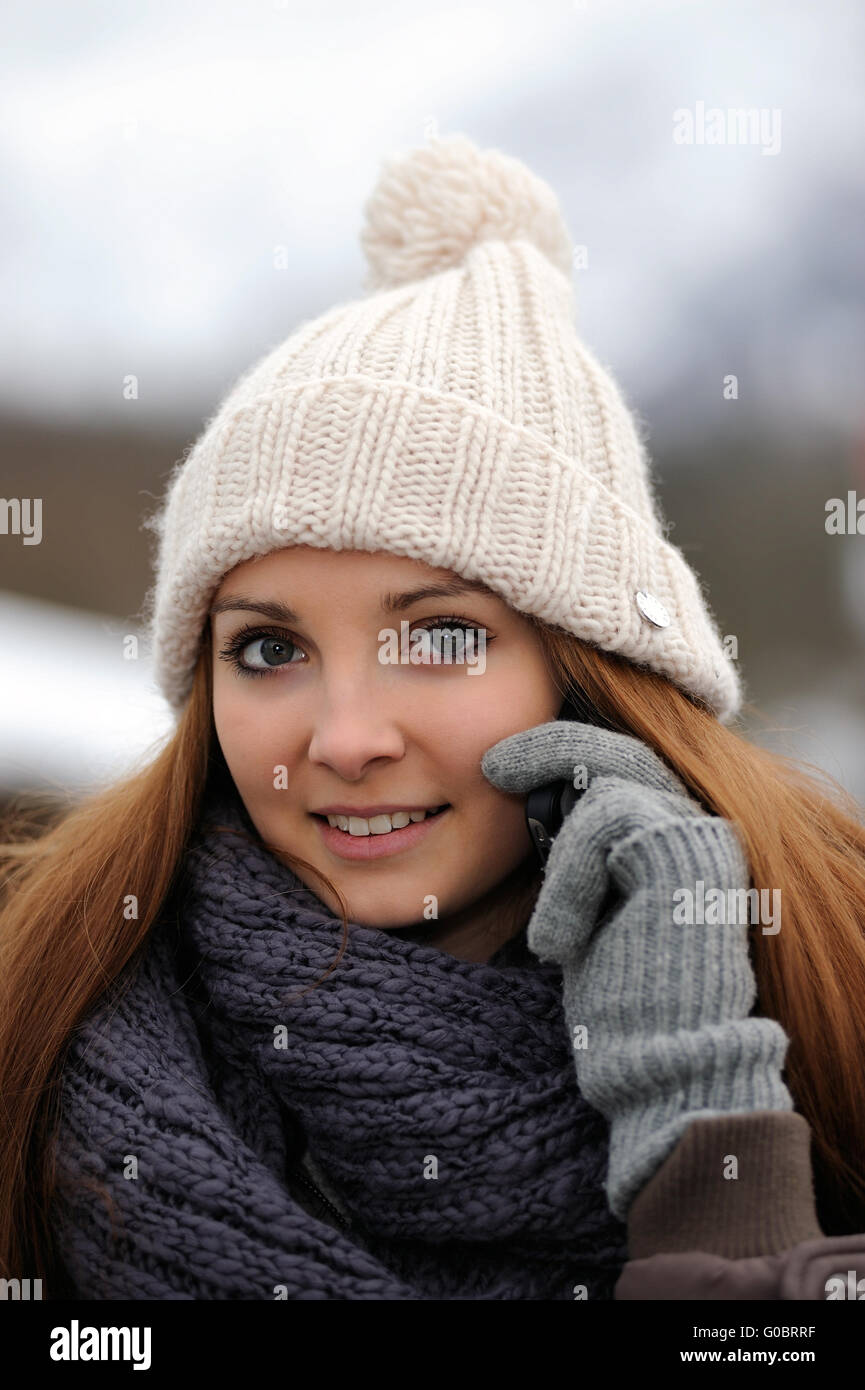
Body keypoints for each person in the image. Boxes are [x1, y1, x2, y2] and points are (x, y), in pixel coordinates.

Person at [2, 133, 865, 1301]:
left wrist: (700, 1106)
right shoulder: (36, 1028)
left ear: (592, 669)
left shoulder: (837, 999)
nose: (345, 737)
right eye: (268, 648)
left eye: (443, 636)